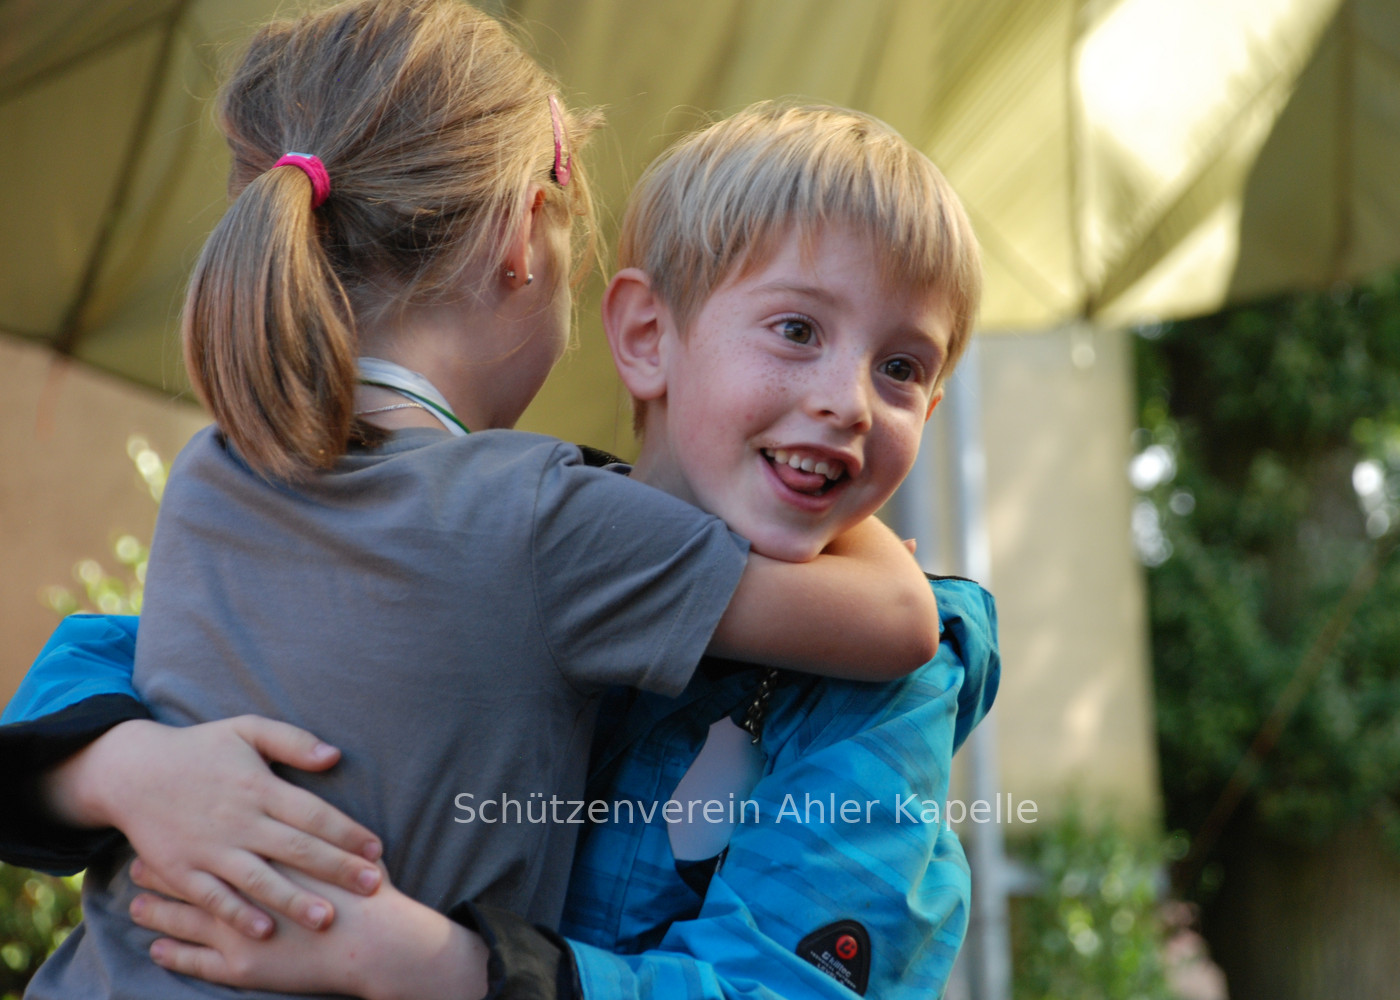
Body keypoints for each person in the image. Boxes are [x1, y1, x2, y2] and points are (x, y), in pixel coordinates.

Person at [0, 4, 944, 998]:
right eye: (795, 331)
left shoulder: (217, 466)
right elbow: (903, 622)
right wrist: (848, 484)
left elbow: (115, 658)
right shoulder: (547, 519)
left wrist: (110, 766)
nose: (844, 399)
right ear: (521, 235)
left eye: (896, 368)